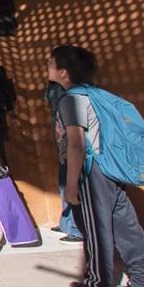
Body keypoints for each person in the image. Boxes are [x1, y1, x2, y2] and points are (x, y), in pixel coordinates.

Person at [49, 45, 144, 287]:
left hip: (90, 173)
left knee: (96, 230)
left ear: (64, 72)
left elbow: (77, 145)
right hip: (111, 169)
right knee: (126, 226)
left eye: (50, 63)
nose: (48, 68)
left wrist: (70, 185)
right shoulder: (99, 95)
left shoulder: (71, 99)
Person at [45, 79, 84, 243]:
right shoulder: (56, 90)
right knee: (64, 185)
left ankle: (77, 229)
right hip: (64, 148)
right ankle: (67, 223)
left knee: (72, 187)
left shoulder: (74, 97)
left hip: (72, 149)